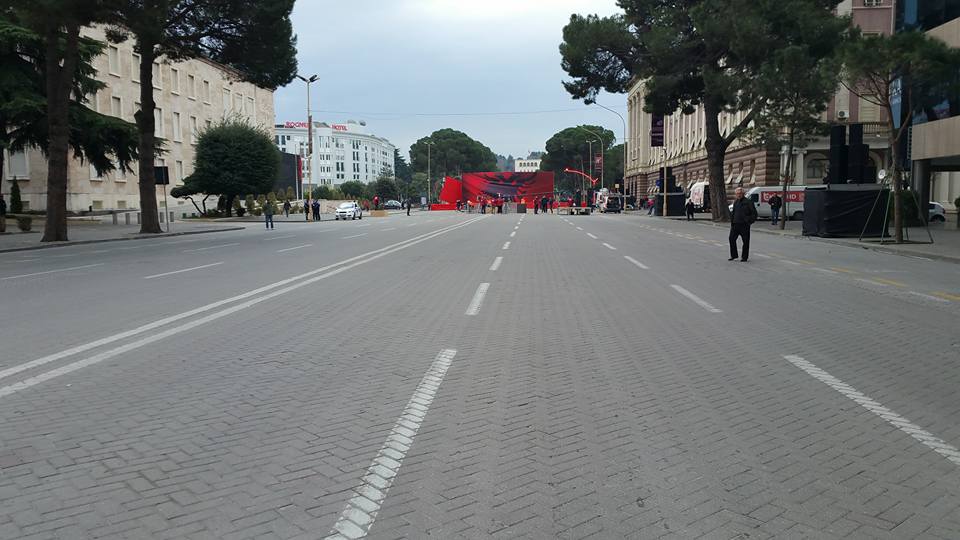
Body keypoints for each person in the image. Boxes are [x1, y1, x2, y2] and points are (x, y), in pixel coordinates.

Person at [729, 187, 757, 262]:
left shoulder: (748, 202)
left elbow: (754, 214)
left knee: (745, 242)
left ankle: (744, 257)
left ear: (743, 194)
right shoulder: (736, 202)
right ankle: (734, 255)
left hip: (744, 225)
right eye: (737, 194)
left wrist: (749, 221)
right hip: (735, 225)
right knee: (731, 239)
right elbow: (733, 212)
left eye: (740, 193)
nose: (738, 195)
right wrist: (732, 221)